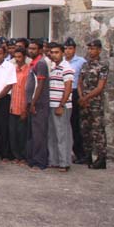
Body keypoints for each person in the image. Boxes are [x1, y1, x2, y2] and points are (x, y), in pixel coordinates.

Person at [79, 39, 109, 169]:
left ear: (99, 50)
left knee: (98, 130)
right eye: (89, 49)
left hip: (95, 103)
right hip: (84, 102)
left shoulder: (103, 66)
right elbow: (79, 82)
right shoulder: (85, 65)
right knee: (85, 129)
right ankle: (87, 155)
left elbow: (100, 87)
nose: (91, 51)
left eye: (93, 49)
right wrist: (81, 97)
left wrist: (86, 97)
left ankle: (101, 158)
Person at [47, 42, 74, 172]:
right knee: (52, 134)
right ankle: (54, 160)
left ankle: (64, 162)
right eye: (52, 52)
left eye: (57, 52)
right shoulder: (53, 67)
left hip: (61, 105)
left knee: (62, 134)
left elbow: (68, 88)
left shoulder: (66, 67)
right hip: (51, 104)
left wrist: (61, 105)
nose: (54, 55)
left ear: (62, 53)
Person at [26, 39, 50, 170]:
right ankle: (32, 158)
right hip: (33, 102)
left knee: (39, 133)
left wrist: (33, 102)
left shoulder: (41, 64)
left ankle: (40, 161)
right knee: (33, 133)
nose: (31, 51)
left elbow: (40, 84)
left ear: (40, 50)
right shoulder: (33, 63)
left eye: (34, 49)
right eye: (30, 48)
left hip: (39, 103)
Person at [62, 37, 87, 164]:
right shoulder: (60, 61)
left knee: (75, 124)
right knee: (63, 125)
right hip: (61, 94)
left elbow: (84, 80)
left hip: (75, 93)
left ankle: (80, 153)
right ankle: (66, 152)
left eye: (70, 48)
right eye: (66, 48)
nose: (67, 51)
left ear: (75, 49)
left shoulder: (81, 62)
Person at [8, 47, 30, 164]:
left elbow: (28, 91)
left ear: (24, 57)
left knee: (22, 134)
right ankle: (16, 156)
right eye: (15, 57)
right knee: (13, 133)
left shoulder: (28, 71)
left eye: (19, 57)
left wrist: (25, 109)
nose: (17, 59)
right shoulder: (13, 70)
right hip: (13, 106)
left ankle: (23, 156)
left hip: (23, 106)